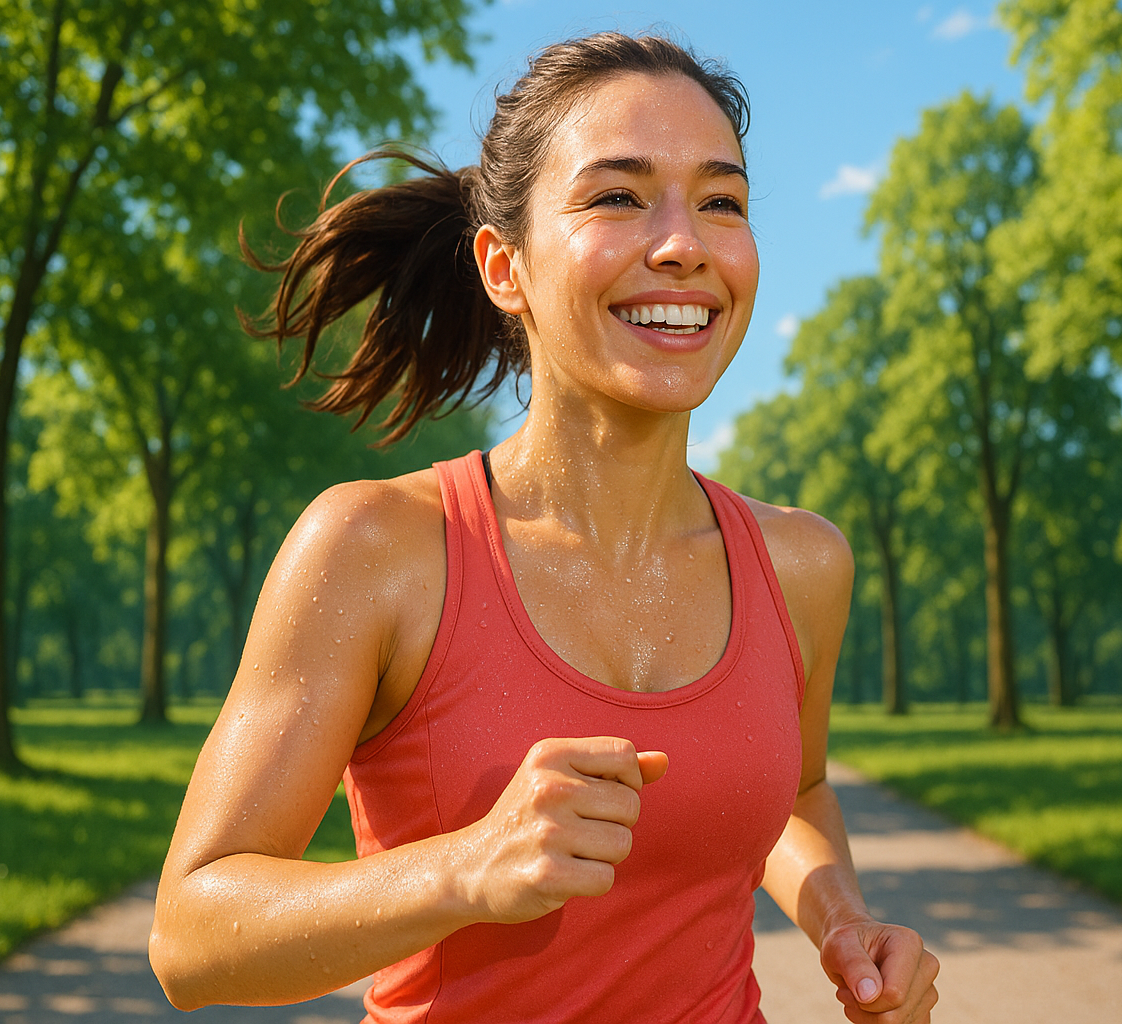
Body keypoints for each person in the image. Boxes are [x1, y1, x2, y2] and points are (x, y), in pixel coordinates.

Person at [148, 31, 940, 1024]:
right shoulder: (377, 550)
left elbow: (795, 791)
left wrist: (840, 919)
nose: (684, 242)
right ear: (503, 266)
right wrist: (464, 868)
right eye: (618, 196)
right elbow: (191, 937)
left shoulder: (802, 565)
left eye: (721, 201)